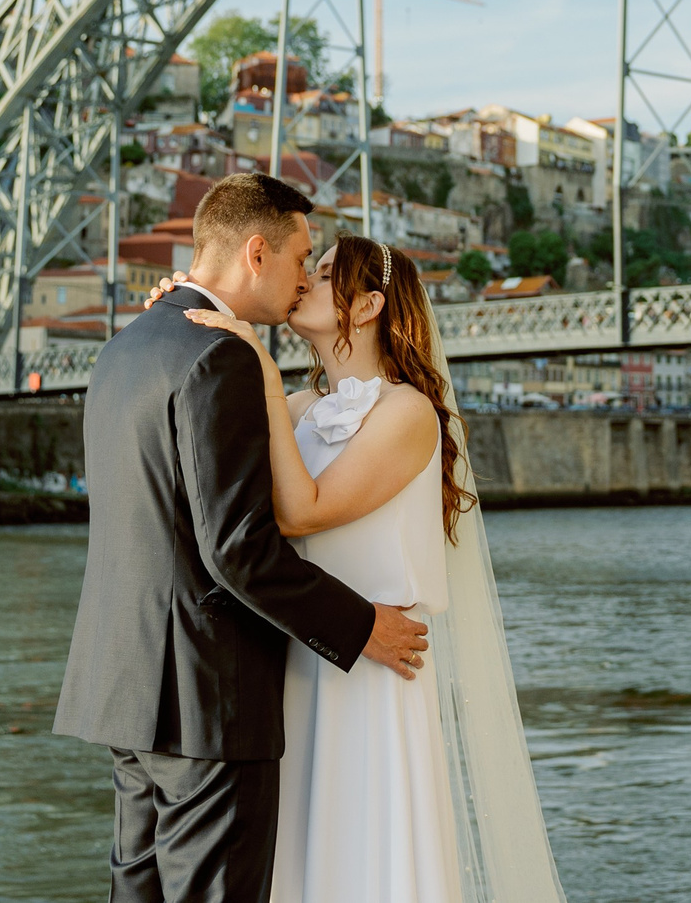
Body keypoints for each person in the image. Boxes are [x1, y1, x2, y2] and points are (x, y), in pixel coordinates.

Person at [54, 172, 430, 903]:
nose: (302, 280)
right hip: (209, 696)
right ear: (257, 253)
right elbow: (236, 548)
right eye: (301, 258)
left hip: (128, 688)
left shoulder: (124, 346)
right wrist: (361, 627)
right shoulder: (221, 356)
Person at [179, 238, 477, 903]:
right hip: (304, 659)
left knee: (369, 857)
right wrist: (181, 311)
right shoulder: (298, 410)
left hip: (377, 667)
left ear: (368, 305)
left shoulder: (407, 413)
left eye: (323, 273)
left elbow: (301, 511)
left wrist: (256, 357)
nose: (305, 281)